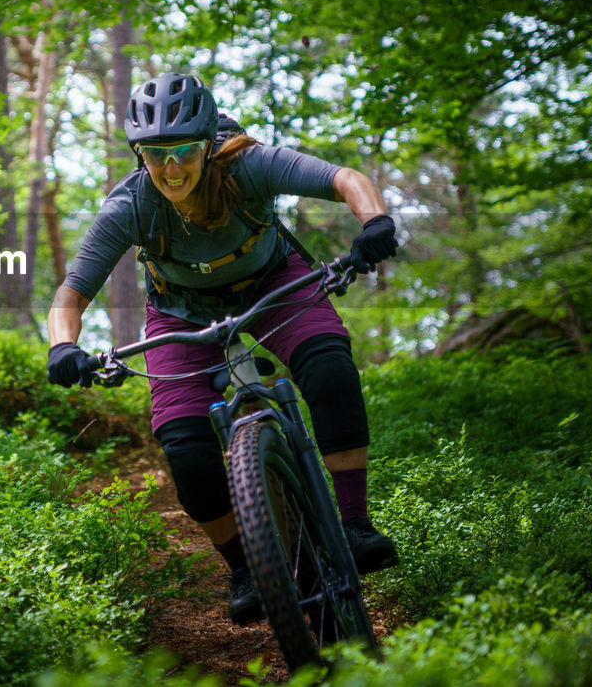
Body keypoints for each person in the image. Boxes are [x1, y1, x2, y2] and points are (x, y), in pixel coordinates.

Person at [45, 72, 399, 625]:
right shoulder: (130, 206)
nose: (172, 167)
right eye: (156, 153)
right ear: (140, 154)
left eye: (184, 150)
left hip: (274, 283)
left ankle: (354, 524)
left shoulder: (249, 164)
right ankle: (244, 568)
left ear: (208, 144)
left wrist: (374, 220)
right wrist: (62, 347)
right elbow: (70, 294)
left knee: (329, 369)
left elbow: (346, 179)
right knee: (186, 450)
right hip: (179, 310)